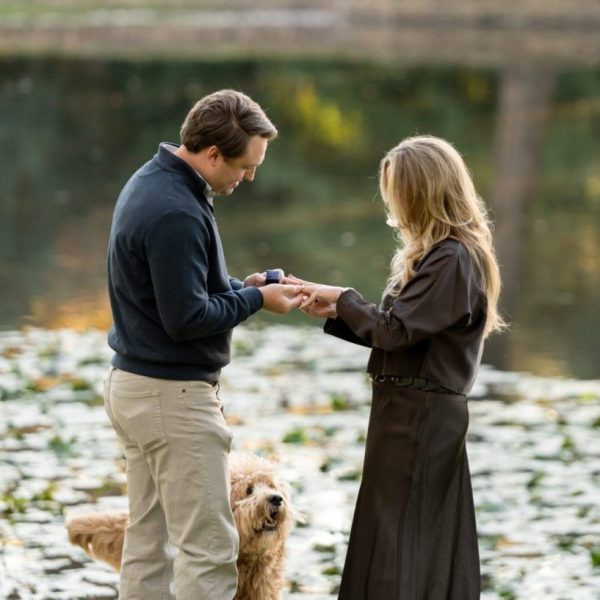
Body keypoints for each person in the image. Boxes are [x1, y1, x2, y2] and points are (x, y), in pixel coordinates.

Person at [104, 89, 302, 600]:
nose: (248, 176)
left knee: (149, 547)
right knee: (209, 552)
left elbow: (178, 291)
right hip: (173, 399)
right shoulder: (177, 212)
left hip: (135, 387)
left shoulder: (156, 182)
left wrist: (244, 287)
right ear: (212, 153)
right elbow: (187, 318)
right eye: (243, 165)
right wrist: (257, 301)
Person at [295, 135, 505, 599]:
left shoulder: (453, 257)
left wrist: (345, 298)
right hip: (405, 410)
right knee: (392, 535)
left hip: (420, 417)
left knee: (400, 539)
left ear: (423, 192)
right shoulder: (443, 256)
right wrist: (336, 310)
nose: (394, 206)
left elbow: (395, 332)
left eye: (398, 193)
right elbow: (403, 332)